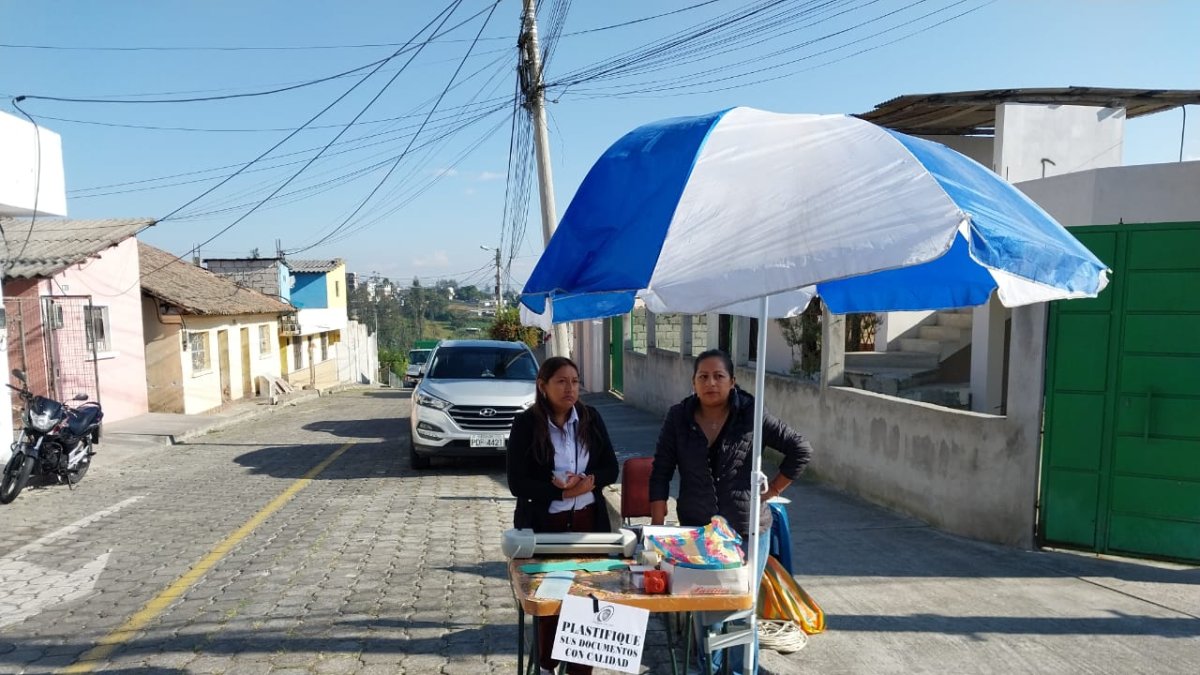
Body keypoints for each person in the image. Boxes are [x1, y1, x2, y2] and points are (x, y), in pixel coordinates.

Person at [649, 348, 812, 675]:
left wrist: (772, 491)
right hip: (697, 532)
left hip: (747, 529)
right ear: (693, 382)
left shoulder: (751, 413)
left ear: (732, 381)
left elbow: (800, 449)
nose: (711, 383)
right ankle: (706, 668)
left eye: (719, 376)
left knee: (741, 607)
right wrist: (657, 530)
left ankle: (739, 671)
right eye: (703, 377)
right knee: (703, 607)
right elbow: (661, 472)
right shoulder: (678, 417)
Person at [507, 356, 620, 675]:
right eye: (561, 381)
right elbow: (518, 482)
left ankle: (581, 670)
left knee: (588, 601)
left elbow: (611, 467)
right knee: (551, 602)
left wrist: (589, 482)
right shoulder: (526, 424)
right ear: (543, 386)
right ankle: (546, 666)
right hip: (546, 529)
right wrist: (559, 491)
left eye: (574, 381)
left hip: (588, 528)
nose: (570, 388)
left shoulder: (591, 417)